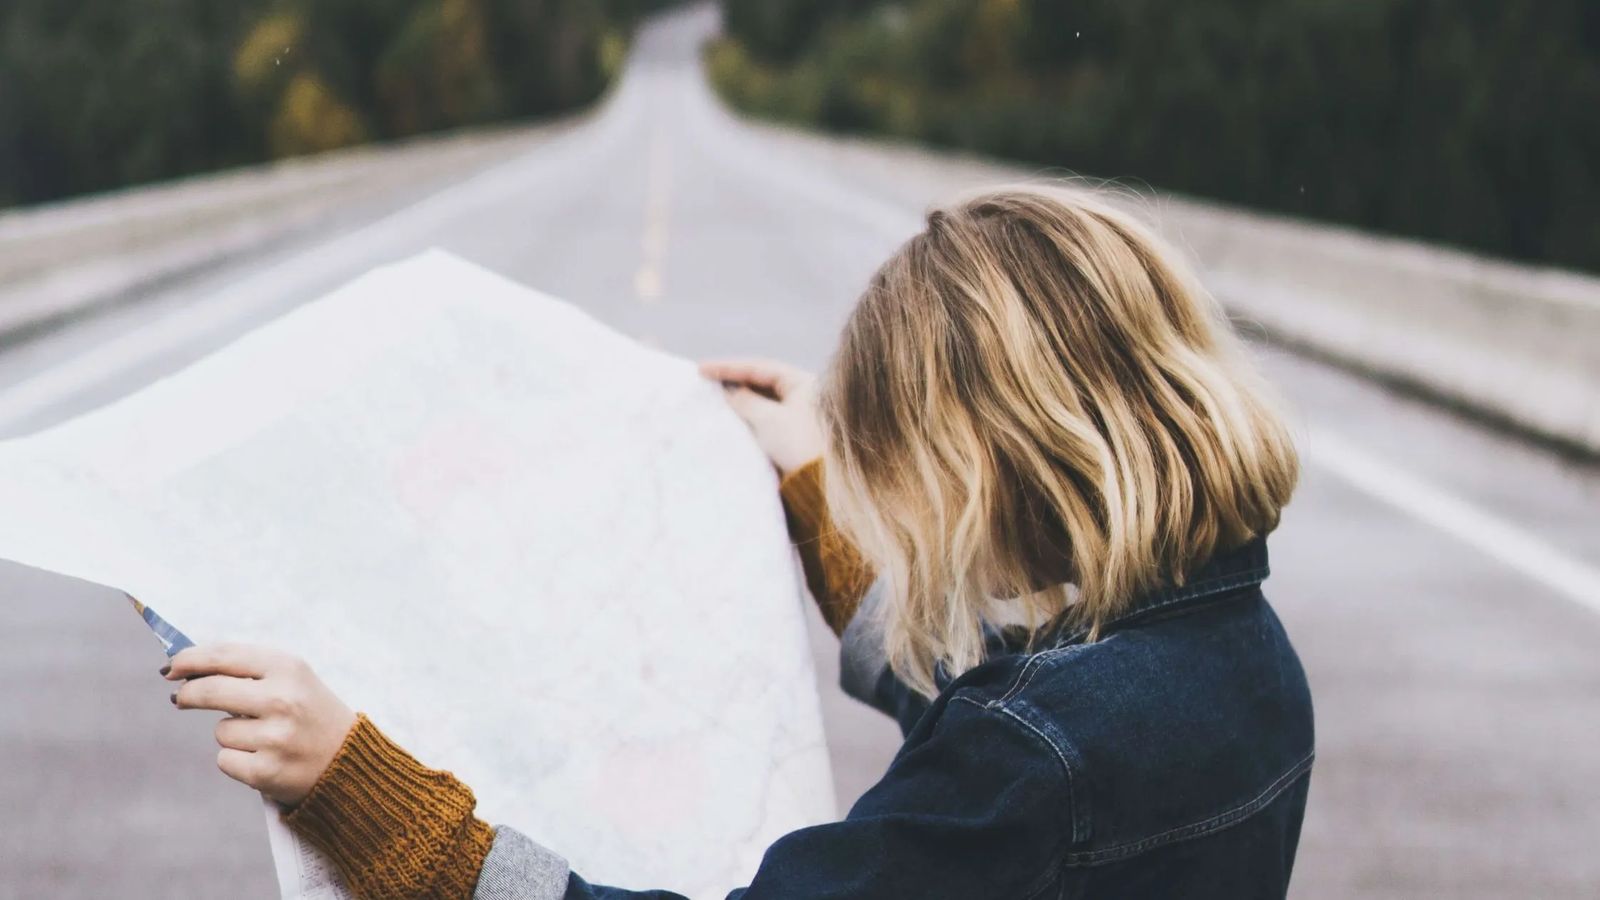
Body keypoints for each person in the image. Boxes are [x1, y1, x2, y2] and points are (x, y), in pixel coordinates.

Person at [165, 187, 1313, 899]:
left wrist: (383, 811)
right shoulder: (1235, 656)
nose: (903, 515)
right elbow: (1001, 731)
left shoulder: (1032, 758)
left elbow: (1009, 758)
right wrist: (815, 496)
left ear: (992, 462)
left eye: (906, 470)